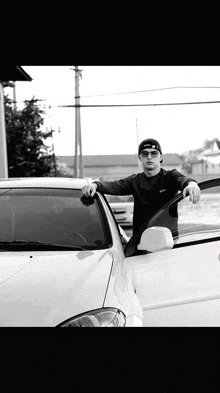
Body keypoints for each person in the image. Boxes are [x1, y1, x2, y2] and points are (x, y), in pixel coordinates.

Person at [82, 138, 201, 235]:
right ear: (140, 158)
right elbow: (114, 186)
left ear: (161, 157)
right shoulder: (135, 181)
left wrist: (192, 184)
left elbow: (183, 180)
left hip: (168, 243)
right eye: (145, 154)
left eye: (154, 153)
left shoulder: (170, 177)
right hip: (140, 243)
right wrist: (95, 185)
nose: (149, 157)